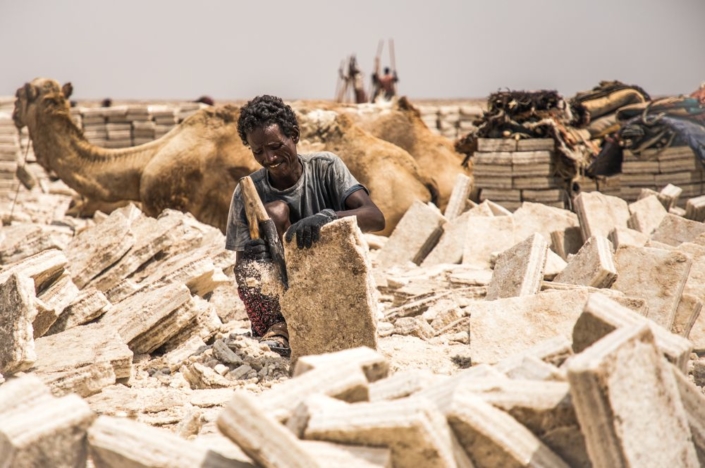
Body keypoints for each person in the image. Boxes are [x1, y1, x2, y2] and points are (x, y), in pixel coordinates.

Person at [225, 95, 385, 356]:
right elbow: (241, 272)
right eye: (258, 151)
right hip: (281, 298)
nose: (270, 157)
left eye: (276, 146)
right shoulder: (248, 192)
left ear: (294, 136)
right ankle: (278, 329)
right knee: (274, 213)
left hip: (330, 283)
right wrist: (255, 259)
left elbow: (375, 218)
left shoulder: (326, 167)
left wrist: (328, 218)